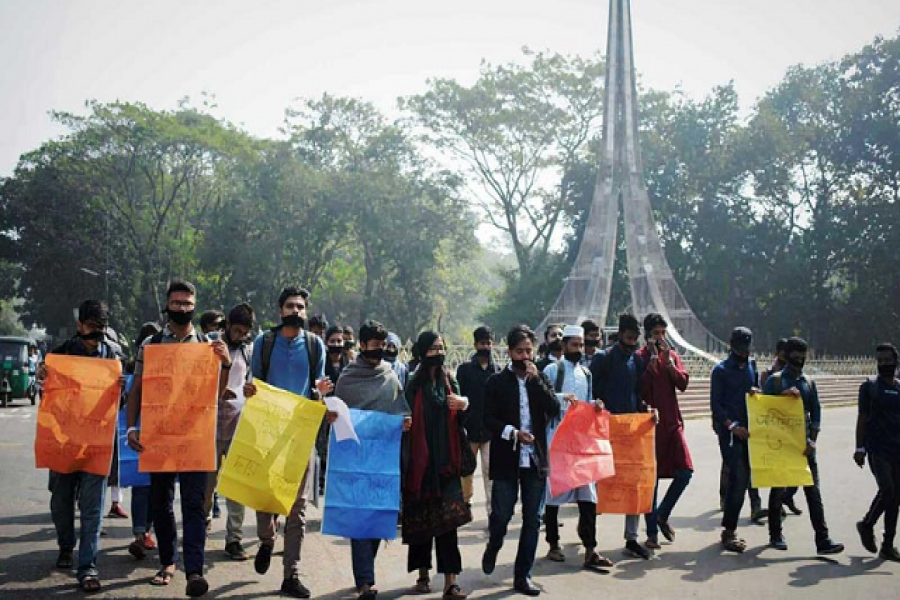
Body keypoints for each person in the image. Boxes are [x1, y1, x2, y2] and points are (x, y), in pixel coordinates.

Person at [126, 280, 233, 597]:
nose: (183, 309)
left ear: (195, 306)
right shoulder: (151, 344)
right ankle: (168, 562)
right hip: (159, 438)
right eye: (177, 303)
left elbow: (218, 392)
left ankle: (195, 571)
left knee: (194, 505)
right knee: (160, 502)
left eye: (188, 303)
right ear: (167, 306)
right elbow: (138, 389)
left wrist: (224, 362)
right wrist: (132, 428)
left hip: (195, 438)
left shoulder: (208, 345)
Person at [248, 286, 333, 598]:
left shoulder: (314, 344)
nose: (296, 311)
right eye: (290, 306)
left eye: (300, 306)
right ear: (279, 310)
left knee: (296, 509)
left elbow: (318, 389)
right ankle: (267, 539)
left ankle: (291, 575)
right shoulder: (264, 342)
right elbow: (254, 382)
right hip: (267, 434)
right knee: (264, 498)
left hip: (300, 435)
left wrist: (322, 391)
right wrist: (248, 391)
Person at [40, 300, 119, 593]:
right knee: (61, 502)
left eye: (100, 328)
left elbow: (118, 404)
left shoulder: (112, 356)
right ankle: (65, 545)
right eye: (90, 327)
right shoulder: (60, 354)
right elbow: (48, 395)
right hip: (63, 442)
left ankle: (88, 567)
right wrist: (42, 376)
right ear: (79, 326)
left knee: (92, 508)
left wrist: (121, 388)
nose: (95, 334)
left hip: (95, 444)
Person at [334, 320, 411, 600]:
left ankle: (364, 573)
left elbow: (401, 410)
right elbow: (337, 413)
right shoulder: (347, 377)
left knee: (378, 516)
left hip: (384, 458)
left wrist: (404, 422)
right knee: (359, 517)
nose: (379, 349)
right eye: (374, 344)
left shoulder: (390, 376)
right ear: (362, 345)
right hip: (355, 457)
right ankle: (366, 580)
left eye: (383, 345)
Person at [482, 325, 560, 597]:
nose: (525, 356)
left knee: (533, 518)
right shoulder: (496, 382)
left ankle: (522, 575)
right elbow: (487, 418)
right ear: (509, 352)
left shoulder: (540, 378)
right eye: (519, 351)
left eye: (528, 350)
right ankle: (494, 543)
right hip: (507, 457)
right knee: (502, 515)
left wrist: (536, 382)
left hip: (536, 459)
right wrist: (512, 433)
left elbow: (554, 409)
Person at [402, 331, 471, 598]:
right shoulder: (412, 385)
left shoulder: (450, 381)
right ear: (421, 352)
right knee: (422, 522)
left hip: (446, 466)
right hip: (420, 466)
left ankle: (450, 582)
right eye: (432, 349)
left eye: (441, 347)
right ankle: (422, 574)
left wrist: (463, 405)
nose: (438, 353)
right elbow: (403, 419)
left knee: (448, 525)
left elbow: (462, 420)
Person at [763, 337, 843, 554]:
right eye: (795, 357)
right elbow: (763, 410)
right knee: (778, 489)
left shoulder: (809, 382)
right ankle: (775, 534)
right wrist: (782, 397)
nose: (799, 361)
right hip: (781, 444)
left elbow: (816, 413)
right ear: (786, 357)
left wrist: (813, 440)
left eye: (802, 358)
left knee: (813, 492)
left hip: (804, 446)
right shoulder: (775, 381)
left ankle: (823, 540)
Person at [542, 325, 613, 571]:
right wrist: (564, 398)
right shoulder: (553, 370)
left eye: (581, 346)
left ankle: (591, 548)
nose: (579, 350)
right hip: (558, 439)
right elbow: (544, 398)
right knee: (554, 493)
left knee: (588, 493)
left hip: (581, 441)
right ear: (564, 346)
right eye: (574, 345)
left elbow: (587, 401)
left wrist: (596, 404)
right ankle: (553, 544)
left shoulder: (586, 372)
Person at [590, 314, 654, 559]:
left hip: (630, 432)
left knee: (634, 484)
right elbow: (592, 392)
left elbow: (638, 393)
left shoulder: (636, 362)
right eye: (628, 338)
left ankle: (632, 538)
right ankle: (590, 541)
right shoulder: (603, 359)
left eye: (635, 338)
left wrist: (646, 409)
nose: (632, 342)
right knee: (600, 486)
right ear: (620, 336)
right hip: (606, 431)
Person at [202, 302, 256, 561]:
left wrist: (250, 389)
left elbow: (252, 381)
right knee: (206, 484)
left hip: (238, 423)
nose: (240, 336)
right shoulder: (211, 344)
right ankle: (198, 530)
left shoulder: (249, 351)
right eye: (236, 331)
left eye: (244, 332)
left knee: (236, 485)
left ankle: (234, 538)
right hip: (210, 423)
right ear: (227, 327)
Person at [638, 314, 692, 548]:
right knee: (652, 479)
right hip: (650, 425)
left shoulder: (672, 356)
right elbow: (639, 390)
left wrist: (669, 364)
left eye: (663, 333)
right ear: (647, 335)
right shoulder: (639, 357)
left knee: (685, 472)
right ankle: (651, 533)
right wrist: (649, 366)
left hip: (672, 423)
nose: (660, 338)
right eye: (655, 333)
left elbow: (682, 384)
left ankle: (662, 513)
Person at [710, 327, 759, 553]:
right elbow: (716, 405)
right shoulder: (720, 370)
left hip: (751, 431)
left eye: (746, 347)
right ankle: (729, 532)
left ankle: (732, 527)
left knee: (745, 479)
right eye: (740, 347)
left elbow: (755, 393)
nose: (744, 352)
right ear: (731, 345)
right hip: (731, 434)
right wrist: (732, 426)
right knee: (738, 480)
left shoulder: (752, 366)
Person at [855, 343, 900, 561]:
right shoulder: (870, 387)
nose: (884, 364)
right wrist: (859, 447)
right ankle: (867, 524)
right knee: (888, 491)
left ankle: (888, 545)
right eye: (880, 361)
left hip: (897, 449)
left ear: (896, 361)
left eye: (887, 360)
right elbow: (862, 418)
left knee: (895, 498)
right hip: (877, 448)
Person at [456, 326, 501, 515]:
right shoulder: (465, 370)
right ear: (475, 345)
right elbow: (459, 399)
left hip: (491, 431)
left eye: (489, 343)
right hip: (469, 429)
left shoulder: (498, 371)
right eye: (482, 343)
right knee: (465, 471)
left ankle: (493, 512)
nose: (486, 346)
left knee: (491, 473)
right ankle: (464, 506)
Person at [126, 322, 161, 560]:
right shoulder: (132, 370)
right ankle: (140, 533)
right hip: (141, 429)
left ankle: (147, 530)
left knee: (158, 487)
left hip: (163, 432)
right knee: (141, 486)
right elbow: (130, 396)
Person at [760, 338, 802, 517]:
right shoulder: (769, 375)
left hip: (793, 430)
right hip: (775, 432)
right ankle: (773, 515)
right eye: (785, 353)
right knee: (779, 477)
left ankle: (788, 497)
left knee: (798, 473)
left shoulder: (797, 375)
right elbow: (764, 402)